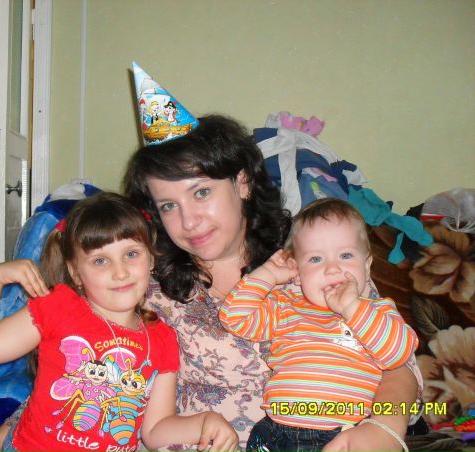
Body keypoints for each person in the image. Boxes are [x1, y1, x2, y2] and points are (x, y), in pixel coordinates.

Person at [122, 114, 422, 451]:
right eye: (168, 206)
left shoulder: (317, 258)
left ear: (242, 182)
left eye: (201, 192)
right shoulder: (148, 291)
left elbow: (400, 365)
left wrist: (385, 427)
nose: (188, 221)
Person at [0, 192, 238, 452]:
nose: (120, 272)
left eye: (131, 254)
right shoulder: (60, 307)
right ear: (75, 272)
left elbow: (154, 431)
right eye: (100, 261)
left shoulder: (162, 338)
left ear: (151, 258)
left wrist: (204, 422)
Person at [219, 198, 418, 452]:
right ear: (297, 271)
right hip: (275, 432)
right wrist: (267, 275)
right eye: (315, 259)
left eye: (345, 255)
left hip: (343, 435)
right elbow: (234, 319)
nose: (332, 269)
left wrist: (352, 307)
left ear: (367, 266)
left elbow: (398, 355)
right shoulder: (286, 306)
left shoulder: (376, 312)